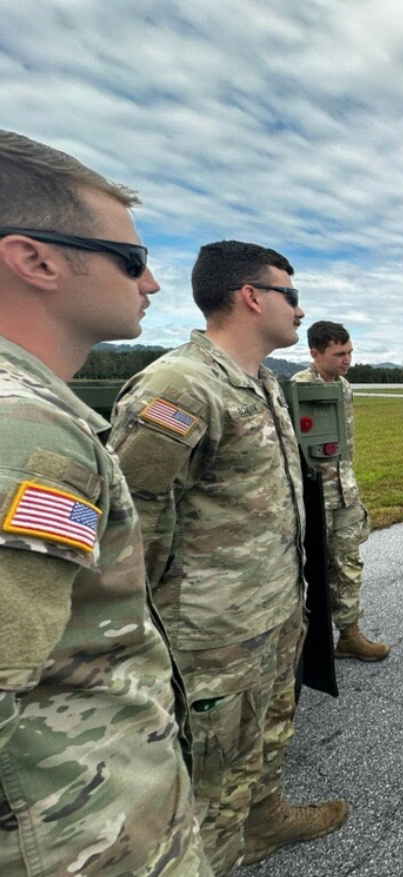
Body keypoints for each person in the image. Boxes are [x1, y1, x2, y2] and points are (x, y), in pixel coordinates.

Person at [0, 131, 209, 875]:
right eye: (131, 258)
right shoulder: (25, 432)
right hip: (77, 834)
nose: (151, 281)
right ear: (36, 259)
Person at [109, 241, 347, 875]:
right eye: (291, 296)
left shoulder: (261, 382)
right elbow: (132, 525)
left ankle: (264, 820)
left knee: (266, 737)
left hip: (273, 610)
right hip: (211, 633)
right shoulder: (179, 386)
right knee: (212, 777)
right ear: (251, 296)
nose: (300, 311)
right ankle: (214, 856)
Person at [292, 321, 389, 661]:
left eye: (350, 352)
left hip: (345, 493)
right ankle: (301, 645)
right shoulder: (298, 389)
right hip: (313, 497)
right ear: (315, 353)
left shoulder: (345, 387)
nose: (347, 360)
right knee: (306, 569)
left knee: (348, 564)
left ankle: (348, 635)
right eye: (339, 354)